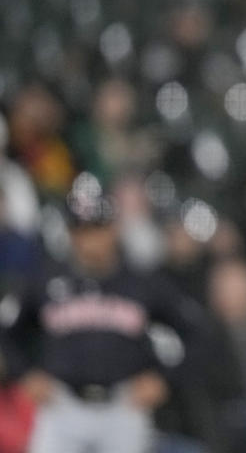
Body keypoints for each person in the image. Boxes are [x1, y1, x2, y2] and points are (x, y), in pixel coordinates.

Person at [0, 177, 206, 453]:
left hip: (123, 405)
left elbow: (196, 332)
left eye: (97, 227)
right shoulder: (45, 278)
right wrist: (24, 374)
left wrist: (164, 379)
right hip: (62, 405)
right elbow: (6, 331)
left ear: (114, 227)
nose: (89, 239)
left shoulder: (141, 281)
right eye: (81, 229)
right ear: (71, 233)